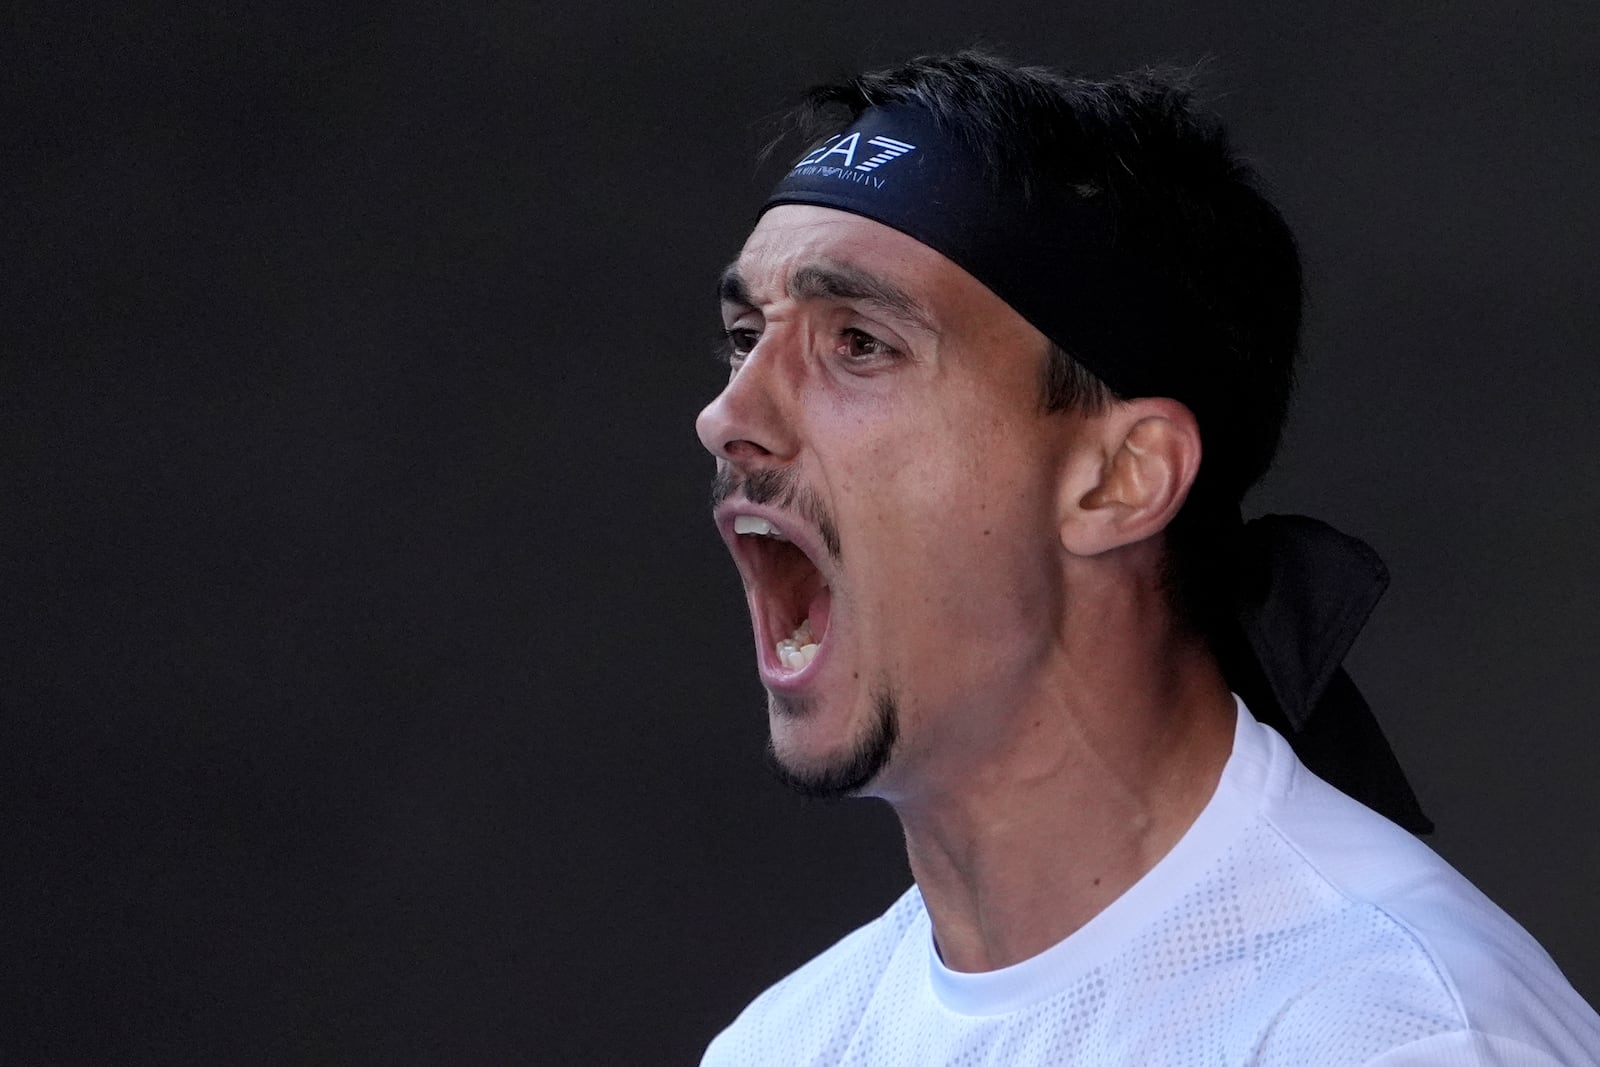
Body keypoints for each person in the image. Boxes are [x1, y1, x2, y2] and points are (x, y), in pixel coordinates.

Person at [692, 51, 1600, 1065]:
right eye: (743, 338)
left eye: (859, 341)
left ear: (1121, 477)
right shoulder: (785, 1042)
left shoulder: (1392, 1032)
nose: (726, 414)